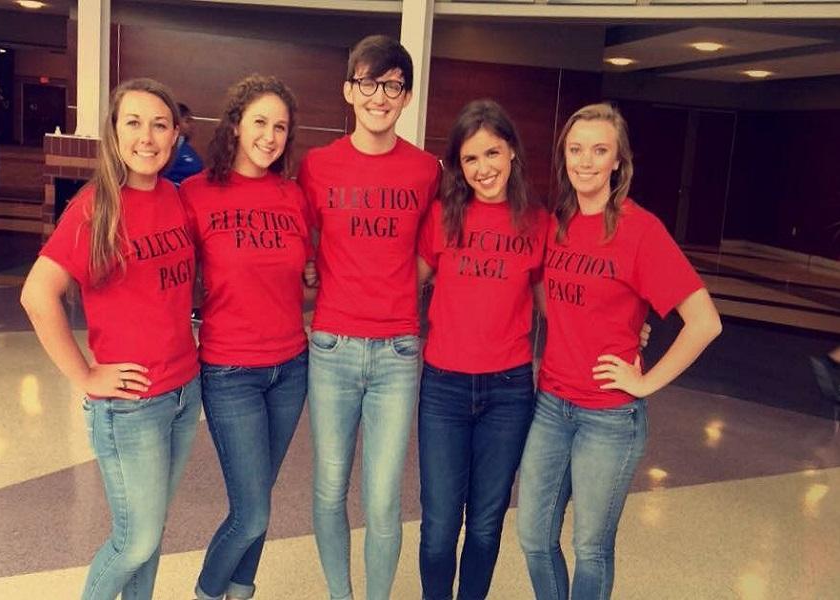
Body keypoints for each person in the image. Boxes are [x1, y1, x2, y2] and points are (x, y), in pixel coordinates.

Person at [516, 102, 722, 600]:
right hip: (551, 404)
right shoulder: (556, 223)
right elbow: (548, 296)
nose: (585, 161)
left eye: (599, 150)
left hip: (608, 416)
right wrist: (618, 324)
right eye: (576, 149)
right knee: (534, 537)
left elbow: (705, 322)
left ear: (618, 163)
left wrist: (645, 382)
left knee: (591, 546)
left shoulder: (641, 230)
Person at [20, 78, 201, 600]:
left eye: (160, 125)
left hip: (184, 393)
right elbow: (37, 294)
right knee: (136, 539)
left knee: (151, 536)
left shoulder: (175, 197)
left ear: (175, 137)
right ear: (115, 133)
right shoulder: (97, 205)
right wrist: (84, 373)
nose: (147, 136)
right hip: (130, 407)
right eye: (134, 123)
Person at [297, 34, 441, 600]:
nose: (379, 96)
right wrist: (312, 270)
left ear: (405, 96)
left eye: (392, 85)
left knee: (383, 499)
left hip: (398, 353)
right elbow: (295, 236)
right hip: (331, 348)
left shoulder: (426, 171)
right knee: (330, 489)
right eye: (367, 83)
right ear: (348, 91)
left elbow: (436, 250)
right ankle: (341, 594)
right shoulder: (317, 166)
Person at [181, 75, 311, 600]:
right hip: (230, 370)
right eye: (260, 121)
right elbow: (166, 273)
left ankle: (241, 591)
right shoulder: (194, 195)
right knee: (252, 510)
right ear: (235, 124)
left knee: (261, 500)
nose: (270, 135)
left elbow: (300, 275)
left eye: (281, 126)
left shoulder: (293, 195)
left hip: (290, 368)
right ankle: (209, 592)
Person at [416, 100, 543, 600]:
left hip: (509, 391)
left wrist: (628, 329)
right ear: (457, 166)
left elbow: (556, 308)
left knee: (486, 525)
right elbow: (404, 289)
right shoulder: (442, 218)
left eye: (492, 153)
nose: (483, 168)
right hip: (443, 388)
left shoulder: (537, 223)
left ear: (511, 151)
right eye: (471, 159)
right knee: (440, 526)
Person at [165, 102, 204, 185]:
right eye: (187, 121)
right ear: (176, 123)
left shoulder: (187, 148)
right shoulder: (164, 150)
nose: (192, 125)